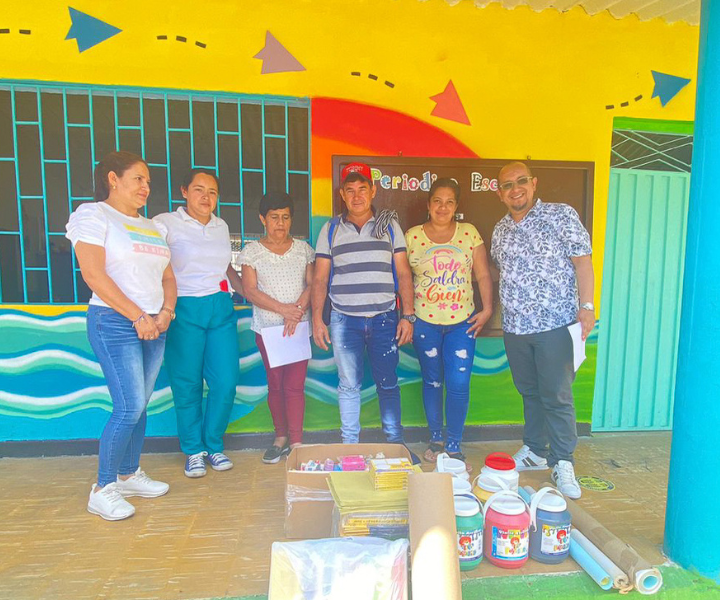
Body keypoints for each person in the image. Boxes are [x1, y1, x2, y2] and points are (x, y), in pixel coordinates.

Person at [66, 150, 176, 521]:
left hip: (154, 324)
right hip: (114, 322)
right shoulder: (93, 215)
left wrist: (165, 313)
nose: (146, 186)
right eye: (138, 179)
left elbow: (167, 277)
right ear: (113, 179)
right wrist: (138, 316)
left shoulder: (154, 227)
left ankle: (129, 474)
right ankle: (102, 487)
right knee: (129, 405)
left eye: (148, 180)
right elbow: (93, 274)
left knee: (141, 403)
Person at [491, 161, 594, 499]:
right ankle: (535, 449)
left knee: (557, 394)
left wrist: (588, 307)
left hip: (555, 325)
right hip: (516, 328)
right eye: (507, 184)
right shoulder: (500, 230)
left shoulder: (561, 216)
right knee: (530, 392)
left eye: (521, 181)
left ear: (533, 184)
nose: (515, 189)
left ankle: (563, 460)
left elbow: (583, 262)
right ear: (499, 192)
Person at [311, 162, 417, 458]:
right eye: (350, 190)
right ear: (342, 195)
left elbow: (404, 272)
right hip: (344, 320)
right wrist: (319, 320)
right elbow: (320, 277)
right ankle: (350, 449)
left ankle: (396, 447)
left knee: (388, 383)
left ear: (373, 190)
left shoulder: (389, 226)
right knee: (348, 385)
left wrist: (408, 315)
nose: (357, 196)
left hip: (385, 318)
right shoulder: (331, 230)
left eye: (362, 189)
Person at [153, 169, 243, 478]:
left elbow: (226, 266)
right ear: (184, 191)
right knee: (187, 383)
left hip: (220, 307)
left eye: (213, 192)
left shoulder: (221, 226)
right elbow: (151, 263)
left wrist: (249, 291)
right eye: (199, 190)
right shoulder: (165, 223)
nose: (206, 197)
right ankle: (193, 450)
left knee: (226, 380)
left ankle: (214, 446)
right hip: (183, 307)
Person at [405, 178, 493, 464]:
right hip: (424, 323)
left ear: (456, 206)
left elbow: (482, 275)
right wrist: (407, 315)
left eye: (449, 201)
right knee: (432, 381)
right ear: (429, 204)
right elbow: (403, 279)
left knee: (458, 383)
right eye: (437, 201)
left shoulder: (469, 234)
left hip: (462, 323)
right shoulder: (412, 236)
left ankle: (453, 443)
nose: (443, 207)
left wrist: (488, 308)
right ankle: (436, 438)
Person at [238, 191, 315, 463]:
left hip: (298, 328)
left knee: (295, 386)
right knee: (276, 386)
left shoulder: (304, 249)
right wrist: (284, 310)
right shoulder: (252, 252)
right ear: (262, 219)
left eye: (285, 217)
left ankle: (296, 443)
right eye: (274, 217)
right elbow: (249, 290)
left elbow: (312, 284)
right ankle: (280, 437)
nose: (280, 223)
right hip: (268, 330)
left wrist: (297, 311)